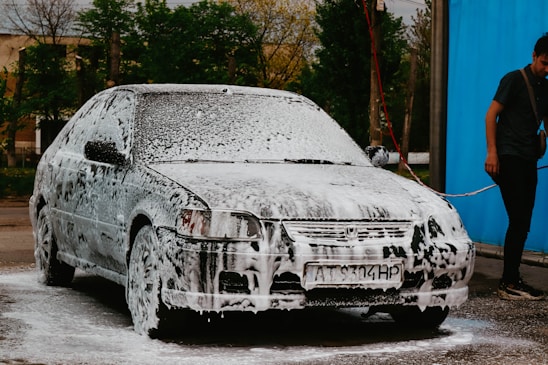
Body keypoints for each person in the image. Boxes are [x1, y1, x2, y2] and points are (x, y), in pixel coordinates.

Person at [484, 34, 548, 301]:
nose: (547, 69)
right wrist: (492, 153)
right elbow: (491, 114)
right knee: (518, 219)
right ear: (534, 56)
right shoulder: (513, 79)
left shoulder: (546, 88)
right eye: (545, 63)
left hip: (528, 159)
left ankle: (513, 279)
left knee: (523, 222)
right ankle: (508, 282)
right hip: (508, 157)